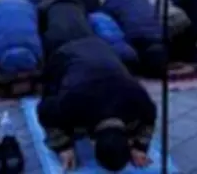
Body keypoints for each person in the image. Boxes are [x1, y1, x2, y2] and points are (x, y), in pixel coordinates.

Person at [37, 36, 156, 172]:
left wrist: (140, 147)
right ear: (92, 143)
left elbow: (149, 119)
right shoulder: (73, 103)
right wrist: (63, 146)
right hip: (65, 54)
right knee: (51, 91)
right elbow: (44, 111)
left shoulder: (139, 101)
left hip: (101, 48)